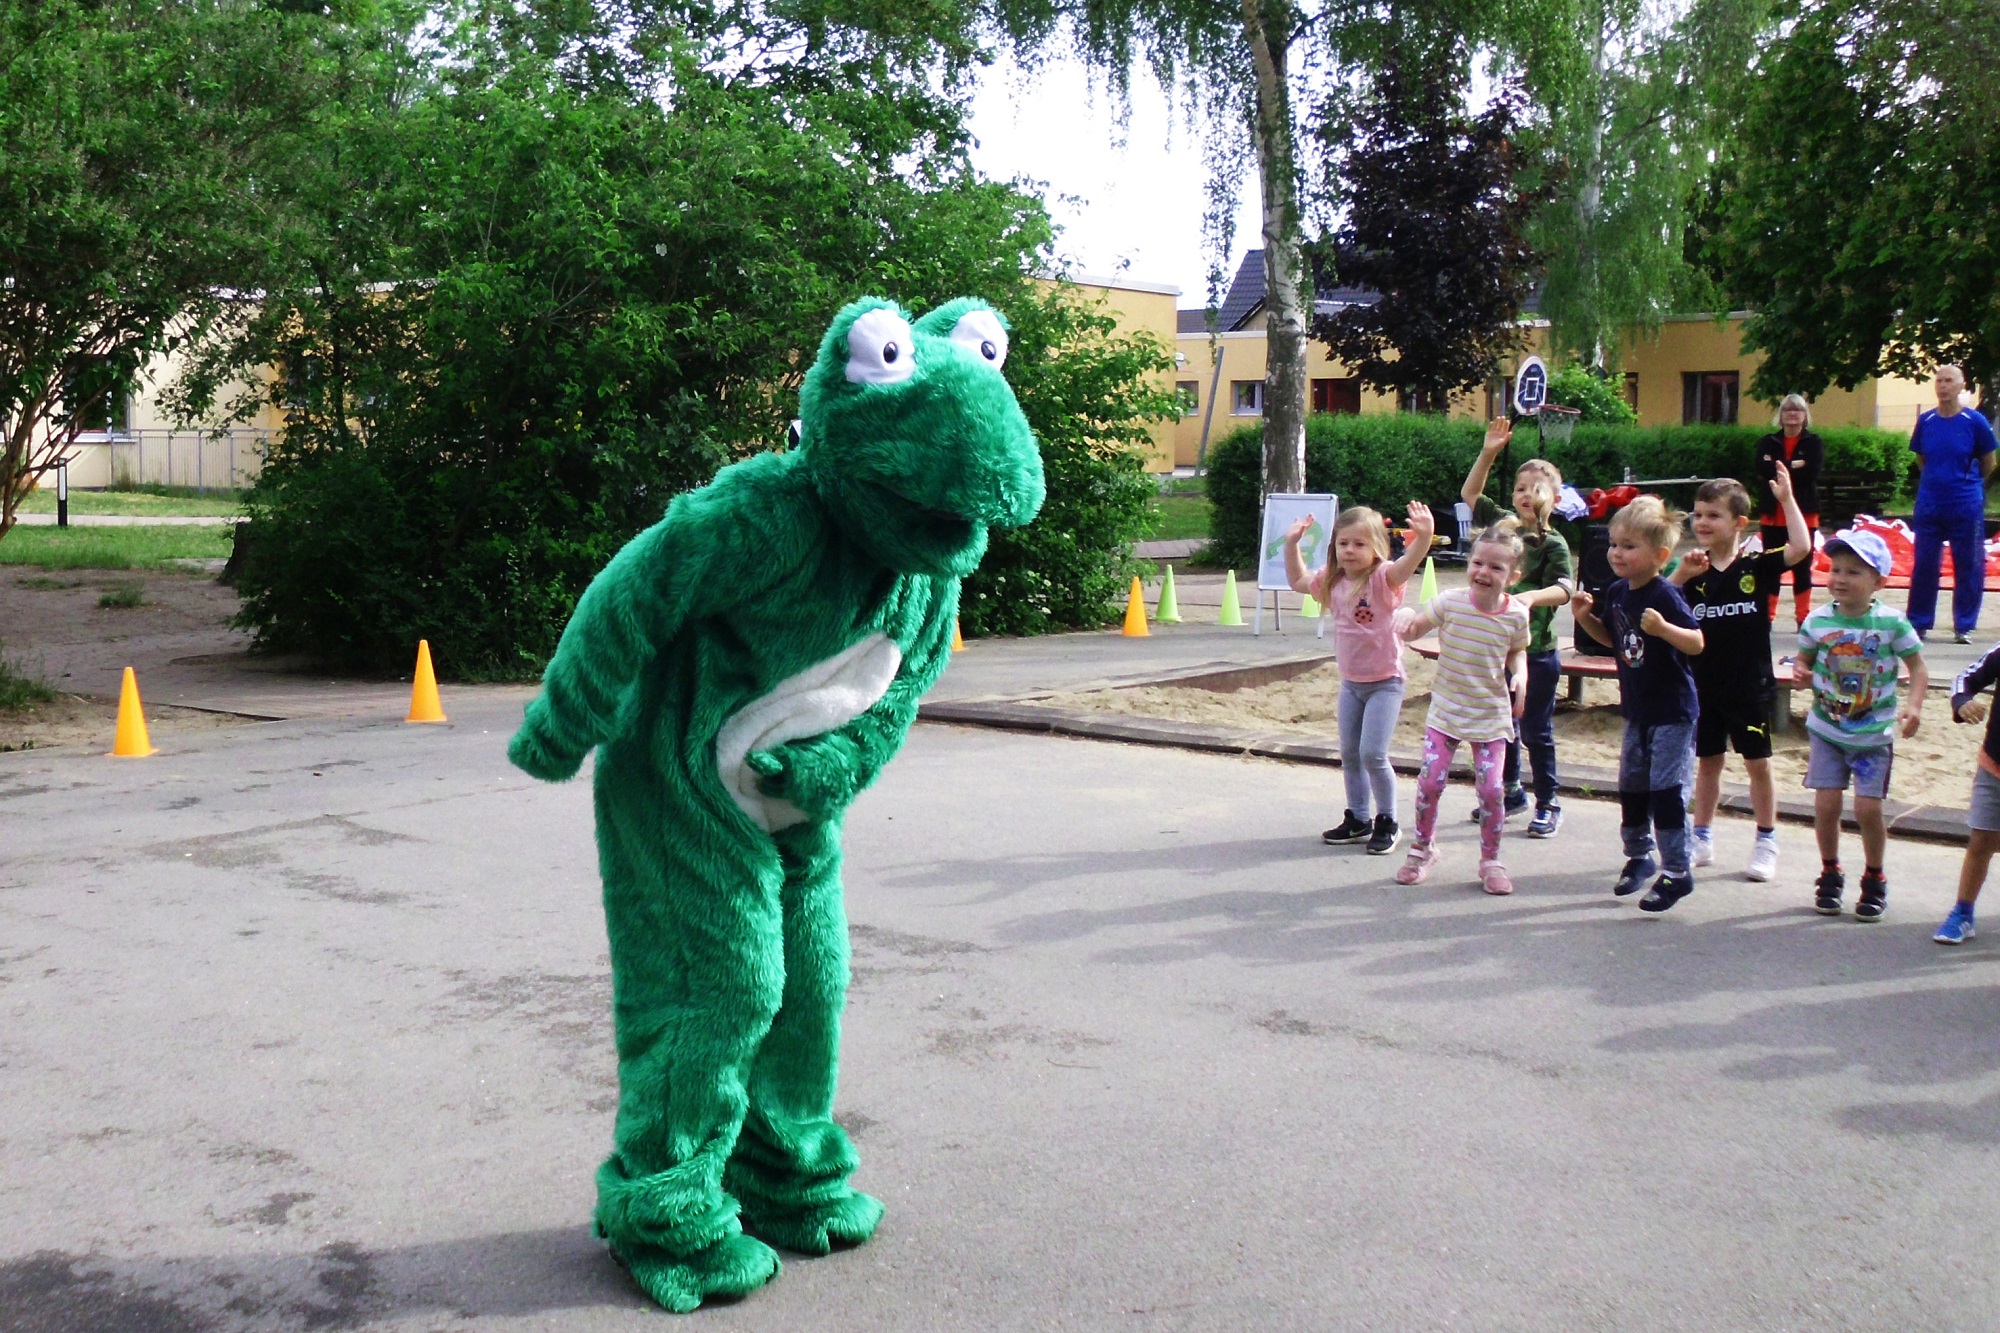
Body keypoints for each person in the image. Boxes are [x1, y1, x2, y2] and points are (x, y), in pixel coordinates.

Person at [1670, 470, 1812, 882]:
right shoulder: (1691, 569)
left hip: (1748, 686)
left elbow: (1801, 548)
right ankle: (1701, 836)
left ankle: (1766, 839)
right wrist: (1681, 574)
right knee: (1708, 763)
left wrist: (1786, 499)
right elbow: (1658, 598)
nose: (1702, 523)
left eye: (1713, 515)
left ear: (1738, 523)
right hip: (1703, 686)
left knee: (1758, 763)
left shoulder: (1756, 564)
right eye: (1697, 515)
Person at [1571, 496, 1706, 912]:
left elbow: (1697, 643)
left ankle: (1678, 872)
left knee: (1666, 791)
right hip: (1638, 710)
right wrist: (1585, 619)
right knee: (1631, 786)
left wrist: (1665, 629)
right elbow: (1618, 642)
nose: (1616, 553)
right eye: (1614, 544)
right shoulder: (1615, 592)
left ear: (1660, 556)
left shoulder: (1664, 595)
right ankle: (1639, 856)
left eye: (1629, 546)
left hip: (1673, 712)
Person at [1285, 500, 1436, 855]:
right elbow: (1296, 581)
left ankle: (1388, 821)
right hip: (1351, 683)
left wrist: (1424, 537)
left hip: (1386, 682)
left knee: (1372, 753)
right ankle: (1358, 818)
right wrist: (1292, 545)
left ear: (1376, 548)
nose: (1350, 550)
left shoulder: (1384, 579)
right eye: (1343, 543)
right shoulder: (1331, 580)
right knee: (1350, 754)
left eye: (1359, 543)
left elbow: (1407, 565)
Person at [1793, 529, 1929, 920]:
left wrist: (1914, 706)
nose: (1840, 579)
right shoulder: (1817, 621)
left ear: (1878, 582)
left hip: (1873, 734)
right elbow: (1802, 659)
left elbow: (1918, 666)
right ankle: (1830, 871)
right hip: (1827, 730)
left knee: (1869, 809)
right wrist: (1801, 672)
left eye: (1854, 572)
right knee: (1826, 803)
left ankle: (1874, 876)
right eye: (1835, 569)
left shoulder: (1890, 623)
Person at [1390, 521, 1530, 894]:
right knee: (1431, 782)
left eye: (1496, 567)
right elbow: (1418, 627)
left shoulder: (1516, 614)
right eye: (1478, 563)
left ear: (1513, 576)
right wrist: (1405, 618)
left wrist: (1520, 678)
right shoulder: (1451, 601)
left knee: (1491, 790)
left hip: (1490, 714)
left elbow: (1518, 650)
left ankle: (1490, 860)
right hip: (1447, 711)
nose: (1483, 573)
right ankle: (1422, 848)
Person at [1459, 416, 1574, 838]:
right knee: (1501, 724)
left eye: (1537, 488)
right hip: (1496, 647)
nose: (1528, 495)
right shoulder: (1504, 526)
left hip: (1538, 651)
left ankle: (1549, 802)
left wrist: (1528, 597)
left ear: (1556, 498)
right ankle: (1511, 794)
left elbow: (1564, 588)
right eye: (1521, 488)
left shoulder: (1553, 543)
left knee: (1536, 730)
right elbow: (1471, 493)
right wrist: (1489, 451)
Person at [1906, 364, 1998, 644]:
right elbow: (1921, 458)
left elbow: (1989, 462)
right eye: (1939, 380)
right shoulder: (1927, 421)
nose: (1943, 386)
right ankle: (1919, 622)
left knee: (1968, 564)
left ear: (1961, 386)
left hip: (1965, 503)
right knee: (1924, 563)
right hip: (1931, 502)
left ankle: (1964, 625)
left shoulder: (1975, 421)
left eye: (1949, 381)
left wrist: (1967, 484)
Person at [1936, 638, 2000, 943]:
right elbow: (1965, 678)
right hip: (1995, 766)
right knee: (1981, 840)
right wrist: (1962, 702)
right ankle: (1962, 912)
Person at [1755, 394, 1824, 629]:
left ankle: (1803, 618)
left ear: (1805, 416)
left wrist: (1781, 465)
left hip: (1803, 514)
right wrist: (1793, 464)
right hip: (1772, 514)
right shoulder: (1767, 441)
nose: (1792, 414)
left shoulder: (1813, 442)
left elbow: (1810, 473)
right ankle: (1768, 616)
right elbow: (1764, 469)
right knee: (1771, 566)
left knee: (1802, 568)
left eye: (1797, 410)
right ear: (1780, 415)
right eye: (1788, 410)